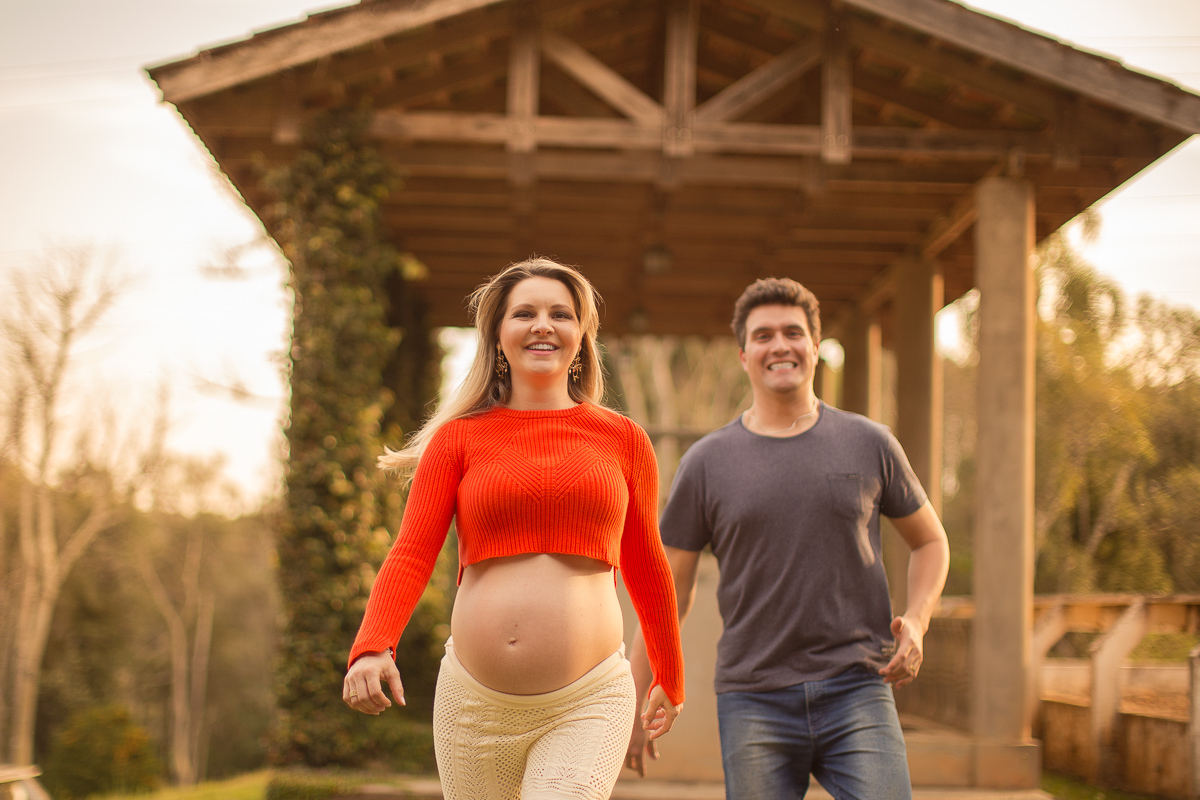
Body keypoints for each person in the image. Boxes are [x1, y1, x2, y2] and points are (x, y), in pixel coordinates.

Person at [343, 257, 684, 800]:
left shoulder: (624, 440)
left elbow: (647, 564)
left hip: (589, 701)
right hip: (472, 705)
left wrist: (669, 671)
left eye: (560, 314)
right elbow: (411, 553)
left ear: (581, 336)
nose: (543, 325)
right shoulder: (458, 439)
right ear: (498, 336)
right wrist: (372, 645)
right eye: (524, 314)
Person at [625, 277, 950, 800]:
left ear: (815, 347)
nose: (780, 345)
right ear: (743, 355)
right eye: (763, 335)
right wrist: (636, 699)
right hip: (753, 698)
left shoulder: (869, 442)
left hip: (858, 687)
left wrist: (917, 619)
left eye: (793, 333)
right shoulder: (706, 463)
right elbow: (667, 595)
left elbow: (931, 542)